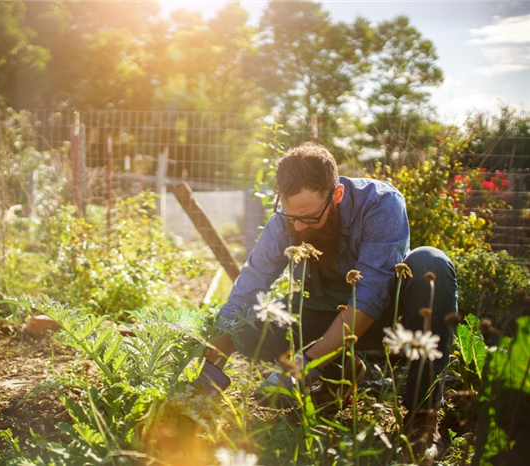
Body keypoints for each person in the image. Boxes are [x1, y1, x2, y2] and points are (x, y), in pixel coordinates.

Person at [192, 142, 457, 462]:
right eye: (291, 216)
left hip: (385, 321)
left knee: (432, 264)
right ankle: (341, 372)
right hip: (322, 313)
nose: (298, 226)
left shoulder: (381, 204)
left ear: (337, 195)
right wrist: (210, 370)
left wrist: (303, 365)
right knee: (248, 327)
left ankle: (422, 419)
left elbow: (370, 296)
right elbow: (248, 288)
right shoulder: (286, 220)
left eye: (309, 217)